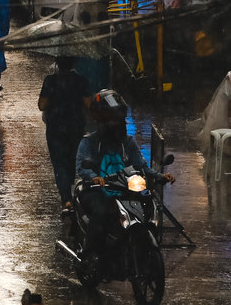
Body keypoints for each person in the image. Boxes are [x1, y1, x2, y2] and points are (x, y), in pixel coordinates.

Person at [74, 89, 173, 274]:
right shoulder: (89, 143)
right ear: (100, 118)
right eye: (111, 118)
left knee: (148, 203)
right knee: (102, 212)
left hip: (123, 189)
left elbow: (141, 165)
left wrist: (159, 176)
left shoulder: (127, 143)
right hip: (96, 191)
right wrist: (93, 177)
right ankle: (91, 253)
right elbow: (82, 167)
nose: (115, 123)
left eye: (118, 118)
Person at [39, 56, 91, 210]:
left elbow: (42, 105)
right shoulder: (81, 80)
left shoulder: (50, 81)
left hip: (55, 127)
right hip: (76, 126)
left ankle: (66, 200)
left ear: (57, 63)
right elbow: (88, 104)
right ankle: (70, 189)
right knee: (72, 159)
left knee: (59, 163)